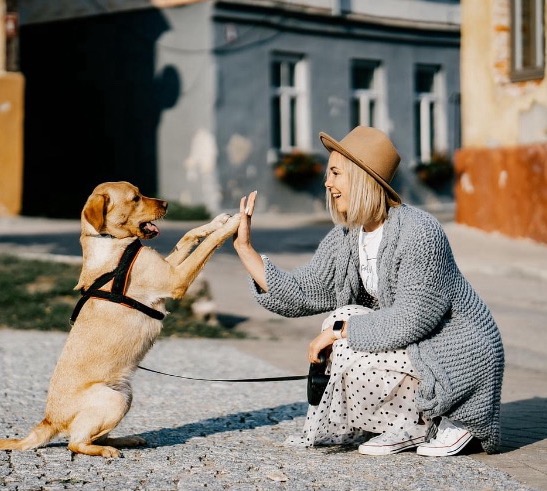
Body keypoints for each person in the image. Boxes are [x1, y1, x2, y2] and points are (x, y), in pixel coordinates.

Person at [232, 126, 504, 457]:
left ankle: (442, 419)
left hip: (456, 354)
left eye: (335, 173)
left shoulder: (420, 232)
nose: (327, 183)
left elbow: (411, 319)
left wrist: (337, 334)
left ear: (361, 177)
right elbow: (305, 290)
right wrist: (246, 250)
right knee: (341, 318)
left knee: (343, 331)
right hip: (416, 347)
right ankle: (402, 423)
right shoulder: (348, 236)